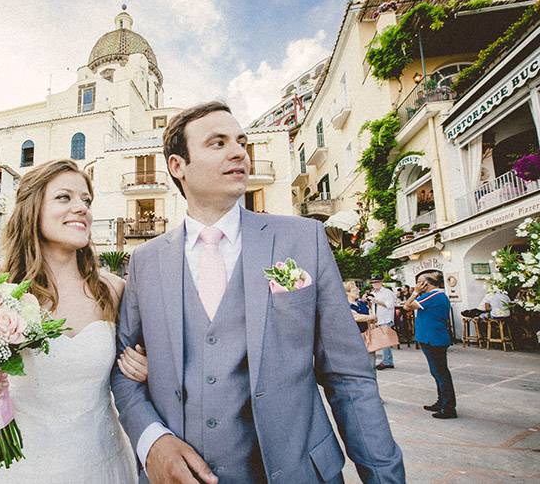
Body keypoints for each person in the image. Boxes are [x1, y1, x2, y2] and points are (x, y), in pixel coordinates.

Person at [112, 102, 403, 483]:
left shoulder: (303, 240)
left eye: (241, 142)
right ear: (177, 166)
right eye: (217, 143)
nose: (238, 152)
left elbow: (349, 376)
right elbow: (123, 373)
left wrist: (384, 478)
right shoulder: (145, 261)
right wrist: (152, 441)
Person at [0, 159, 148, 483]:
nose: (81, 208)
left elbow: (136, 373)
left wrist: (144, 369)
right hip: (25, 470)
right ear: (34, 209)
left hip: (104, 464)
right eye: (64, 198)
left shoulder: (112, 290)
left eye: (86, 200)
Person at [404, 271, 457, 419]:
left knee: (440, 373)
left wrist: (415, 293)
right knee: (438, 372)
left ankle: (448, 407)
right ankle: (442, 402)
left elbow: (407, 306)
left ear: (425, 284)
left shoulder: (433, 295)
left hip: (433, 339)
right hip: (432, 338)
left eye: (419, 282)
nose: (417, 285)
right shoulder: (436, 296)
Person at [345, 281, 377, 371]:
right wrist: (370, 317)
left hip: (367, 335)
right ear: (347, 292)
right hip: (354, 337)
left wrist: (371, 318)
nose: (358, 291)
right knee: (357, 365)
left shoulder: (362, 304)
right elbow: (355, 317)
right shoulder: (345, 306)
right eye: (355, 290)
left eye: (358, 289)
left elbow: (372, 318)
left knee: (371, 364)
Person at [370, 275, 398, 370]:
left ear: (381, 282)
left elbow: (389, 305)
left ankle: (387, 361)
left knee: (385, 342)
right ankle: (388, 361)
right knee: (383, 342)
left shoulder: (387, 292)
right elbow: (372, 306)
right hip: (377, 320)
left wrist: (377, 301)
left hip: (386, 319)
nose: (375, 284)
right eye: (373, 282)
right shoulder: (372, 293)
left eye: (377, 282)